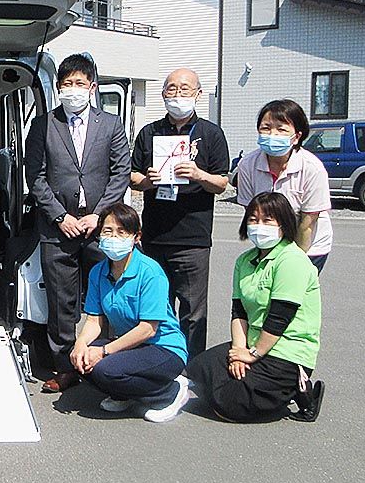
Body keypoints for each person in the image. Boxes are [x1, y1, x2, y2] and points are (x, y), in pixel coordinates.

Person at [24, 52, 131, 394]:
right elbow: (35, 176)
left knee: (110, 297)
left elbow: (120, 173)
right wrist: (61, 216)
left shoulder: (111, 124)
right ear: (58, 88)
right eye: (67, 84)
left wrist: (98, 215)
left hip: (101, 228)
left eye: (79, 83)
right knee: (62, 303)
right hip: (58, 229)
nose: (73, 89)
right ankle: (66, 366)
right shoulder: (43, 124)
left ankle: (108, 361)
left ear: (92, 87)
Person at [191, 193, 324, 422]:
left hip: (286, 351)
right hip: (252, 344)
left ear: (284, 224)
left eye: (267, 220)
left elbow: (279, 318)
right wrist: (238, 353)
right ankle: (256, 388)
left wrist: (252, 355)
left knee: (228, 406)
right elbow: (239, 312)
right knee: (199, 369)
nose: (258, 226)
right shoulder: (245, 261)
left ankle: (298, 388)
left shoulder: (292, 260)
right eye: (253, 219)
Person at [130, 68, 230, 358]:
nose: (177, 94)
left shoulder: (210, 134)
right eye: (171, 89)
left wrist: (199, 174)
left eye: (185, 89)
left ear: (198, 94)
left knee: (193, 312)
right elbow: (132, 176)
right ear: (163, 94)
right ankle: (157, 363)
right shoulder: (149, 132)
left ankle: (191, 367)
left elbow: (222, 183)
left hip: (193, 239)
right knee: (153, 308)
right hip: (154, 236)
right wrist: (148, 181)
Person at [71, 204, 191, 422]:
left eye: (122, 232)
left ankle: (170, 392)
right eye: (108, 231)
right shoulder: (98, 271)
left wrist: (104, 351)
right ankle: (123, 393)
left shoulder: (150, 272)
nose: (114, 237)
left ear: (136, 237)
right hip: (131, 345)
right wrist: (80, 345)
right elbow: (94, 320)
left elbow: (148, 329)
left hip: (163, 347)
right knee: (82, 360)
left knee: (105, 370)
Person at [234, 99, 332, 272]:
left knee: (293, 285)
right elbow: (253, 214)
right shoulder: (247, 165)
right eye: (266, 128)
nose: (272, 134)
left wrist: (295, 261)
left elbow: (308, 222)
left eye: (281, 129)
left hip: (308, 246)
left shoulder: (312, 168)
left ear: (297, 136)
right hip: (269, 243)